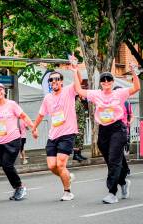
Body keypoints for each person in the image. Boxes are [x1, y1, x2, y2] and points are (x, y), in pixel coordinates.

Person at [73, 63, 140, 204]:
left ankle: (112, 193)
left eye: (109, 79)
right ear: (100, 83)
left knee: (114, 160)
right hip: (103, 130)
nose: (106, 82)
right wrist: (75, 70)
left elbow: (136, 88)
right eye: (103, 80)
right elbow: (78, 89)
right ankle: (123, 181)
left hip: (118, 129)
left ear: (112, 82)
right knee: (112, 160)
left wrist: (134, 72)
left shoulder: (119, 93)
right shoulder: (96, 94)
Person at [31, 67, 82, 201]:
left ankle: (67, 192)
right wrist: (34, 128)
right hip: (53, 135)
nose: (54, 81)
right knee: (52, 166)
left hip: (67, 134)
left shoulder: (69, 91)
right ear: (49, 83)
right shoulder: (48, 98)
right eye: (51, 80)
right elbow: (41, 114)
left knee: (60, 165)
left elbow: (79, 82)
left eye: (57, 79)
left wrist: (76, 70)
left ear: (61, 82)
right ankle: (67, 176)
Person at [0, 83, 36, 201]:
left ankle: (20, 187)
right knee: (5, 167)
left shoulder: (12, 104)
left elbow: (24, 116)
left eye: (0, 90)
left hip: (13, 140)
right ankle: (17, 188)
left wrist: (33, 128)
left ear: (4, 92)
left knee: (7, 165)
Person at [113, 86, 134, 175]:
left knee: (118, 151)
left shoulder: (126, 103)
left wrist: (129, 123)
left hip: (122, 130)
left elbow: (132, 115)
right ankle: (124, 169)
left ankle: (120, 170)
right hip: (111, 130)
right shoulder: (110, 103)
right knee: (116, 152)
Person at [73, 95, 88, 162]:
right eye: (83, 96)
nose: (84, 97)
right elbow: (74, 113)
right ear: (79, 96)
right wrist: (75, 124)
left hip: (81, 125)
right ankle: (75, 155)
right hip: (78, 125)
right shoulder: (77, 103)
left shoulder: (80, 103)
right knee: (77, 140)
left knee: (80, 140)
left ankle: (79, 154)